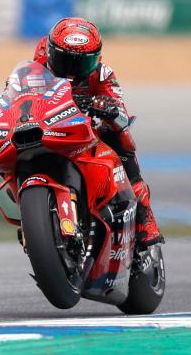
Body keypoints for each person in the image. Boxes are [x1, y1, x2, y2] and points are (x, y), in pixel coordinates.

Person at [30, 17, 163, 248]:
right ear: (51, 52)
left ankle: (144, 217)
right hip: (50, 127)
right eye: (64, 60)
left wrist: (108, 109)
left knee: (121, 138)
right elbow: (14, 95)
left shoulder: (103, 75)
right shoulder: (37, 66)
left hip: (87, 129)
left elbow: (121, 112)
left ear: (96, 59)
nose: (71, 70)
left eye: (80, 63)